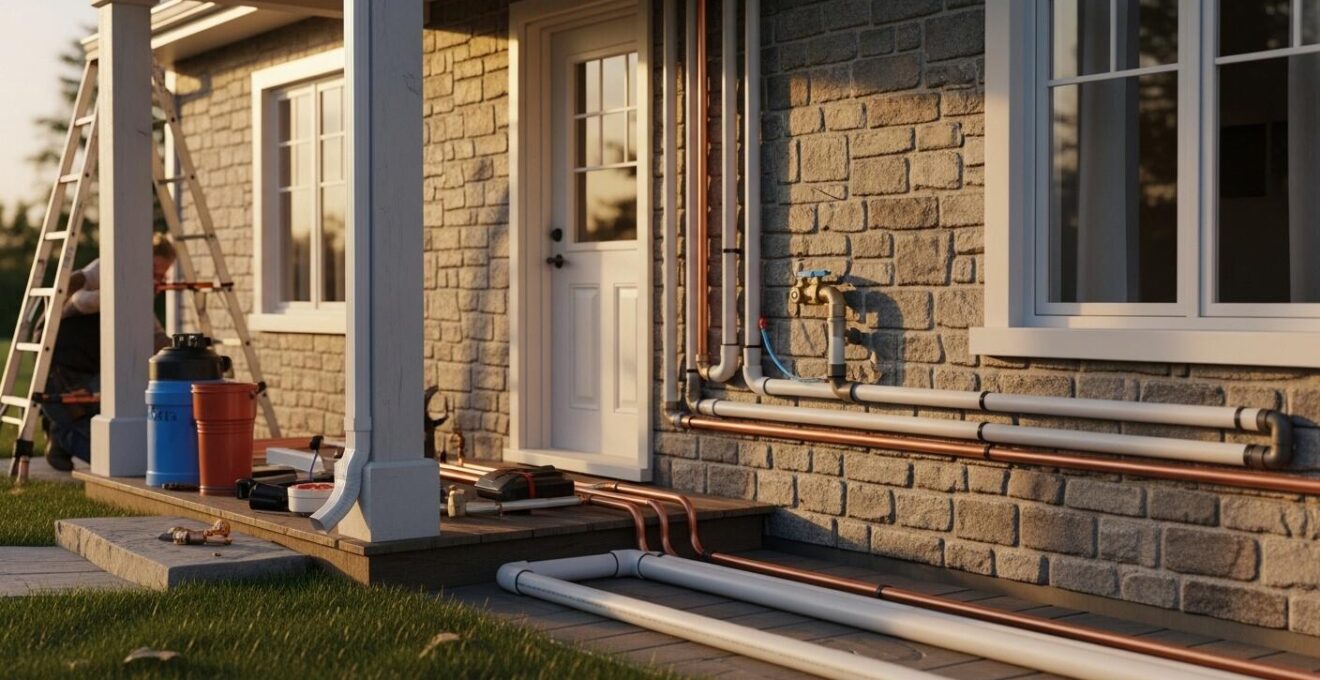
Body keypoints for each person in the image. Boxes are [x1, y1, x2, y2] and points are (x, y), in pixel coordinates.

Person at [40, 233, 177, 471]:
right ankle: (62, 431)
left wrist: (181, 350)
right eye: (153, 272)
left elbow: (154, 333)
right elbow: (79, 290)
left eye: (161, 276)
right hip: (59, 362)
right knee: (113, 458)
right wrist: (117, 297)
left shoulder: (137, 298)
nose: (157, 281)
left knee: (120, 443)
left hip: (90, 368)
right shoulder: (113, 268)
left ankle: (59, 431)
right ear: (139, 262)